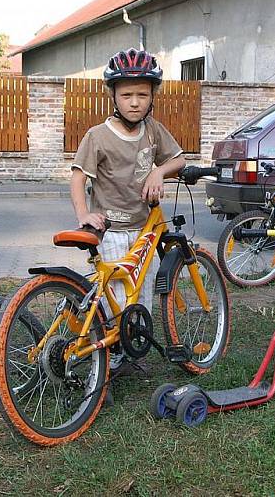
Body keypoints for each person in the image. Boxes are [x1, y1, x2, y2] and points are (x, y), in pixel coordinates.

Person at [70, 48, 185, 378]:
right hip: (113, 231)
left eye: (142, 95)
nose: (134, 102)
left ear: (152, 97)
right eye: (126, 95)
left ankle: (133, 348)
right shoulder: (98, 136)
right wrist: (83, 214)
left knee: (142, 292)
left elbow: (179, 160)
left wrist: (159, 172)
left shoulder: (153, 130)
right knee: (115, 298)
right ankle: (109, 355)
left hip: (144, 229)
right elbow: (78, 178)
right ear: (113, 97)